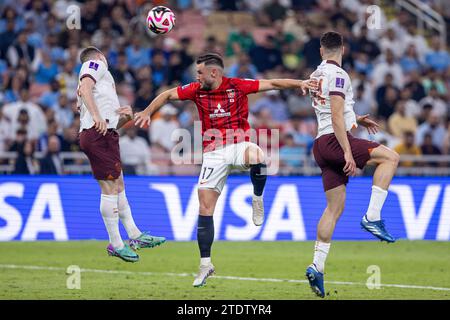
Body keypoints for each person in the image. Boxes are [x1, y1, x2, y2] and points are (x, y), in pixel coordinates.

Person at [134, 52, 317, 287]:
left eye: (199, 72)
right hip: (213, 154)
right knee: (205, 207)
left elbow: (272, 83)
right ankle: (205, 264)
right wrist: (148, 111)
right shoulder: (195, 90)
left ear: (214, 72)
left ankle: (257, 198)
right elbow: (168, 94)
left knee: (258, 155)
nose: (196, 76)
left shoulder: (238, 86)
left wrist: (300, 83)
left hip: (239, 145)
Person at [306, 32, 400, 298]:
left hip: (320, 145)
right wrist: (347, 151)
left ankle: (317, 266)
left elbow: (331, 110)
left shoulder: (316, 75)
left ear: (322, 50)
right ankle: (372, 216)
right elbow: (335, 114)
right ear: (343, 50)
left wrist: (356, 118)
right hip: (335, 141)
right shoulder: (339, 75)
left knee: (334, 208)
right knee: (391, 157)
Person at [76, 46, 165, 263]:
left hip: (106, 134)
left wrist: (127, 117)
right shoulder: (94, 64)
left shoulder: (105, 85)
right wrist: (97, 116)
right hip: (96, 133)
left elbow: (114, 124)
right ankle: (116, 244)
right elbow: (86, 88)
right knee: (109, 188)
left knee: (119, 185)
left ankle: (134, 235)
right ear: (99, 56)